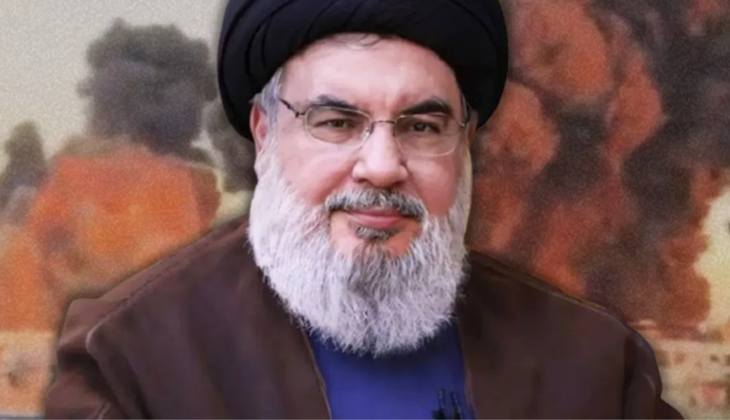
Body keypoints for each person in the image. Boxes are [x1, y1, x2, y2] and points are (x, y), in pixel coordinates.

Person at [44, 0, 682, 418]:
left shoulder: (599, 371)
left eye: (422, 127)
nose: (381, 165)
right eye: (336, 122)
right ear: (264, 134)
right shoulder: (129, 362)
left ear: (465, 141)